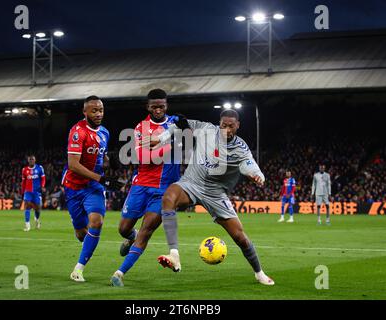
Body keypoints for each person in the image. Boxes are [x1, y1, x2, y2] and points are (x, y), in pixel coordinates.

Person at [145, 109, 274, 286]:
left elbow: (249, 166)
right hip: (191, 182)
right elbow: (180, 124)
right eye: (223, 125)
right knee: (169, 197)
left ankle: (259, 273)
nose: (226, 130)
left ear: (238, 125)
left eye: (231, 126)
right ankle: (174, 254)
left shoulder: (241, 148)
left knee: (240, 237)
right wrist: (160, 138)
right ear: (219, 123)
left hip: (215, 193)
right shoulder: (206, 129)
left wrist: (257, 176)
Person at [110, 89, 181, 287]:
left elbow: (184, 131)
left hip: (164, 191)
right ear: (147, 107)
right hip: (140, 186)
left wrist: (166, 143)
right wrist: (170, 146)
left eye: (162, 106)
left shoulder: (175, 123)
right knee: (124, 229)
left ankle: (119, 273)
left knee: (146, 231)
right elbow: (143, 158)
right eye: (154, 106)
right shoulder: (141, 128)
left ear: (166, 106)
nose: (158, 110)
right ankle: (130, 238)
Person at [62, 95, 122, 282]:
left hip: (93, 187)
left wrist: (110, 163)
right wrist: (101, 178)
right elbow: (73, 164)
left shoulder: (104, 132)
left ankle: (78, 270)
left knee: (96, 222)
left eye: (101, 110)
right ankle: (85, 240)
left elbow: (100, 160)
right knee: (81, 234)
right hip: (73, 187)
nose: (98, 114)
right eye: (94, 110)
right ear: (85, 112)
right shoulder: (78, 132)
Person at [21, 155, 45, 231]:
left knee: (37, 209)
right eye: (30, 159)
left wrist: (42, 186)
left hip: (37, 192)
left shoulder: (39, 168)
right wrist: (22, 191)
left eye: (32, 159)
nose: (31, 160)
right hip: (28, 192)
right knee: (27, 206)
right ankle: (27, 225)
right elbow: (23, 181)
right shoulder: (24, 170)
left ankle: (37, 220)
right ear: (28, 161)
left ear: (35, 160)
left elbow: (43, 178)